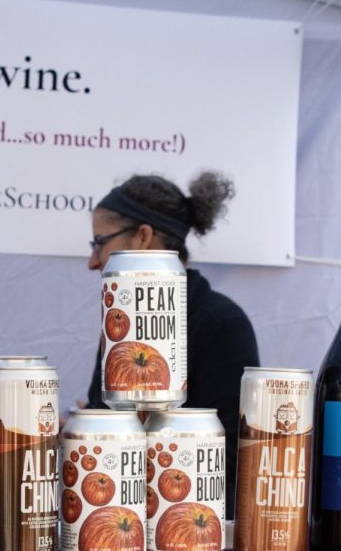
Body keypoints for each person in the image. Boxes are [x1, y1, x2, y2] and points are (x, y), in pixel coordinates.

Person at [85, 171, 259, 517]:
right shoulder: (121, 322)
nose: (93, 261)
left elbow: (232, 459)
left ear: (143, 238)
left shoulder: (224, 324)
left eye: (99, 242)